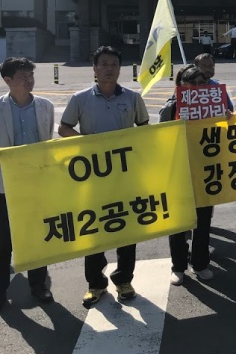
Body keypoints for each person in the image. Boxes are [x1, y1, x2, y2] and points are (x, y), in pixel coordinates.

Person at [58, 46, 149, 307]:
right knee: (94, 229)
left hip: (125, 176)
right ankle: (96, 284)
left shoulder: (132, 98)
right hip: (92, 178)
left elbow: (144, 130)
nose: (109, 68)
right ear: (94, 68)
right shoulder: (80, 98)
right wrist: (89, 146)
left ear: (120, 69)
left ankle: (124, 279)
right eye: (104, 64)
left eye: (113, 64)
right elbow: (64, 128)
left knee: (126, 227)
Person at [0, 58, 55, 308]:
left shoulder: (45, 106)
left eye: (30, 75)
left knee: (37, 239)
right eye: (22, 76)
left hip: (37, 185)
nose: (29, 80)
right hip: (4, 188)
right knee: (4, 241)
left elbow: (47, 145)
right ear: (8, 80)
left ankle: (38, 286)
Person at [160, 65, 216, 285]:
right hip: (179, 172)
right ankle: (179, 266)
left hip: (205, 171)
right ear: (181, 85)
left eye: (201, 83)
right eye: (192, 83)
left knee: (203, 221)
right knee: (179, 224)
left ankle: (201, 263)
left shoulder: (213, 104)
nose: (197, 87)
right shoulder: (171, 106)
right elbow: (160, 137)